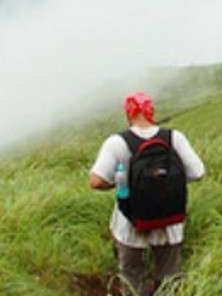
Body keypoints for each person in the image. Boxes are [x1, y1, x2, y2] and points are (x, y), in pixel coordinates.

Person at [89, 92, 205, 296]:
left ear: (129, 114)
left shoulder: (117, 142)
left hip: (130, 223)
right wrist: (167, 181)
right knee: (170, 279)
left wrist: (121, 184)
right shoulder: (174, 138)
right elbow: (198, 172)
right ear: (152, 112)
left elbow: (96, 181)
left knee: (132, 277)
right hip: (170, 222)